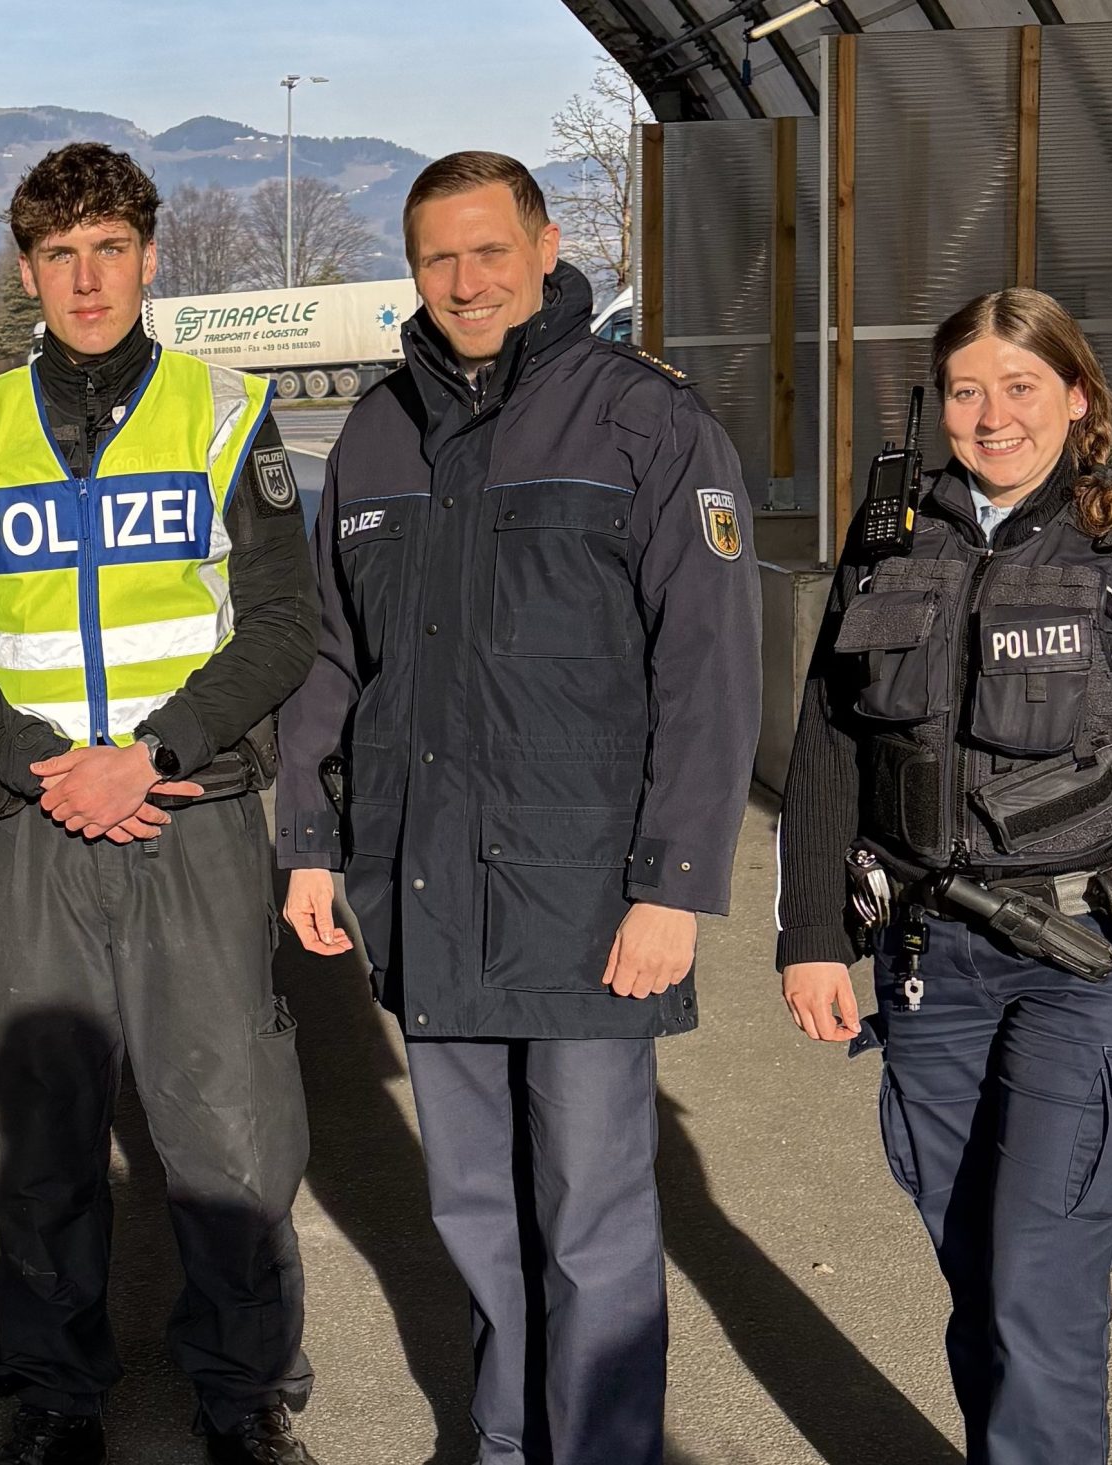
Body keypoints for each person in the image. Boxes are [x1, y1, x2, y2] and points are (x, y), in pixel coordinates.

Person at [275, 151, 760, 1465]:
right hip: (427, 887)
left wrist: (674, 884)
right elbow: (330, 658)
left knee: (592, 1221)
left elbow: (710, 671)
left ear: (546, 249)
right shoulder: (378, 433)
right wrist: (310, 842)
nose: (466, 280)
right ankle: (504, 1441)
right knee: (476, 1212)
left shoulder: (643, 423)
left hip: (587, 904)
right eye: (438, 257)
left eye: (490, 250)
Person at [0, 142, 321, 1465]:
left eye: (110, 250)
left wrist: (152, 750)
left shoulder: (224, 413)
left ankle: (244, 1399)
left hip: (188, 804)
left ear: (149, 256)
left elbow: (284, 622)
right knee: (44, 1127)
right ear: (27, 271)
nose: (87, 279)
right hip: (37, 823)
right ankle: (53, 1396)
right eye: (60, 255)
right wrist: (35, 763)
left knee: (229, 1122)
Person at [777, 288, 1112, 1462]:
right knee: (979, 1276)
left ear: (1077, 397)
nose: (992, 415)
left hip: (1083, 966)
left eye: (1020, 386)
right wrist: (810, 933)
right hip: (924, 966)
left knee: (1038, 1283)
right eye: (964, 390)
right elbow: (828, 741)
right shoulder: (888, 539)